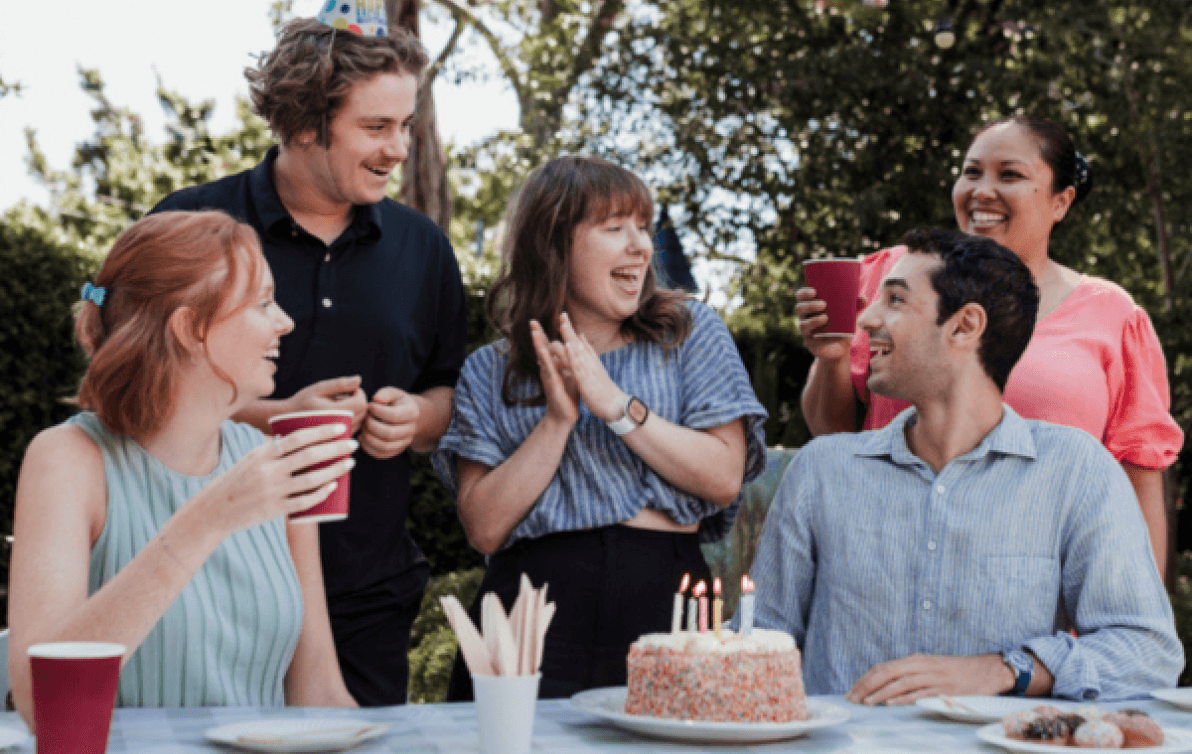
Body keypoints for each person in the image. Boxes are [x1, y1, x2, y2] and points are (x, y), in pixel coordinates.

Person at [151, 14, 467, 706]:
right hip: (208, 580)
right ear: (302, 123)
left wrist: (413, 418)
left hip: (366, 591)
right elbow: (127, 396)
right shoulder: (190, 226)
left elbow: (450, 396)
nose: (399, 150)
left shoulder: (425, 250)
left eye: (406, 126)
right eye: (376, 127)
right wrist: (276, 420)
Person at [748, 227, 1182, 703]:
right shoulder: (820, 472)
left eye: (894, 300)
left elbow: (1147, 653)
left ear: (964, 326)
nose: (866, 318)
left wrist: (1005, 670)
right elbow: (760, 643)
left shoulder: (1077, 472)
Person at [431, 156, 768, 699]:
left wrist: (615, 406)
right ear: (553, 245)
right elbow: (485, 528)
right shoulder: (490, 369)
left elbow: (724, 475)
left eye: (642, 227)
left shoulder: (690, 334)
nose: (640, 246)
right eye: (614, 228)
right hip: (528, 612)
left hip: (664, 597)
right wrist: (558, 421)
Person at [7, 211, 359, 723]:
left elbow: (319, 692)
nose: (285, 320)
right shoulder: (68, 461)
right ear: (191, 328)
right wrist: (210, 518)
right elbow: (42, 704)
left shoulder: (273, 460)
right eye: (262, 302)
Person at [799, 115, 1183, 575]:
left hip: (1049, 597)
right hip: (890, 574)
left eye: (1010, 175)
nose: (982, 190)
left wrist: (1144, 627)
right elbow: (834, 435)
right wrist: (832, 359)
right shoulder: (893, 277)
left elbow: (1139, 482)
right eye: (971, 171)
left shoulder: (1111, 314)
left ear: (1061, 202)